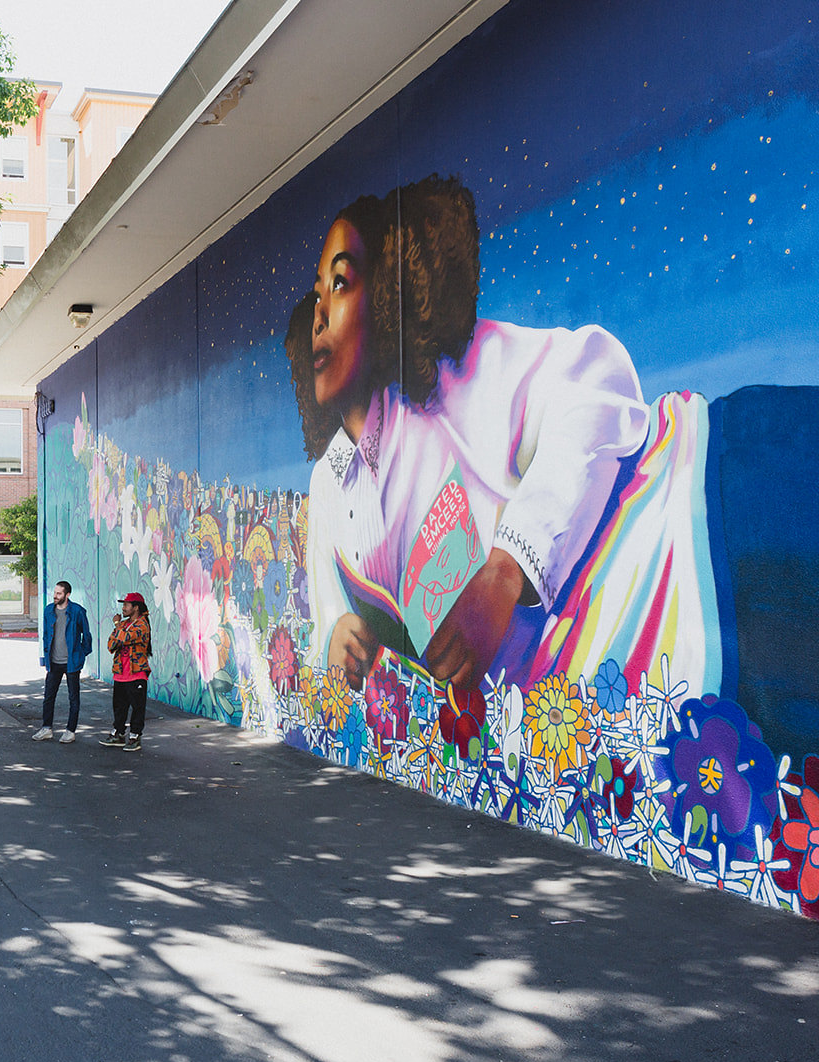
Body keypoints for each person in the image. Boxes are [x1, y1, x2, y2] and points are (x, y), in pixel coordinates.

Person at [290, 175, 717, 700]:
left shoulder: (453, 375)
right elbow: (329, 603)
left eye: (339, 283)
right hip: (549, 699)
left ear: (386, 292)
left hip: (688, 543)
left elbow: (597, 379)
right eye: (316, 294)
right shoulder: (329, 482)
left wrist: (506, 567)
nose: (318, 315)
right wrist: (336, 632)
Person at [35, 580, 92, 742]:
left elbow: (86, 637)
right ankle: (47, 728)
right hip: (53, 662)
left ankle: (70, 731)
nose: (55, 596)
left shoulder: (77, 611)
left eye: (59, 593)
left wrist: (80, 654)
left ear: (67, 595)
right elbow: (46, 635)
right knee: (48, 696)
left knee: (73, 697)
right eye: (54, 592)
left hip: (72, 662)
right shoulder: (48, 611)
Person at [100, 592, 152, 752]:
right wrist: (118, 632)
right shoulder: (123, 624)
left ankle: (135, 736)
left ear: (135, 607)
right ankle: (119, 733)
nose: (123, 608)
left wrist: (117, 627)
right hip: (120, 673)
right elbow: (111, 644)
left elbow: (126, 638)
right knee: (119, 706)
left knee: (137, 707)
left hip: (136, 673)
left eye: (126, 605)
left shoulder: (142, 625)